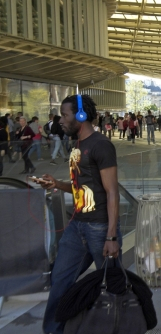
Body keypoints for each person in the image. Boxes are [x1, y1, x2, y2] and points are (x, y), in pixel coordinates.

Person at [40, 94, 121, 334]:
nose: (61, 121)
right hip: (77, 227)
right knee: (60, 282)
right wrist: (56, 184)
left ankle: (119, 327)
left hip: (99, 229)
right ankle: (54, 331)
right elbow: (80, 185)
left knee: (113, 289)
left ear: (81, 116)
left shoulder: (100, 144)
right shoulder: (78, 145)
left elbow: (112, 192)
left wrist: (112, 236)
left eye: (65, 115)